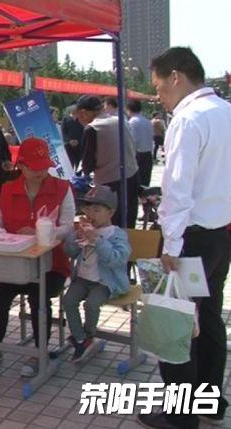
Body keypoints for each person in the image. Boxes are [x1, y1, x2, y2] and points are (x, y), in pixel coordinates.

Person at [138, 47, 231, 429]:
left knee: (173, 323)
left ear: (176, 77)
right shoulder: (226, 111)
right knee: (208, 318)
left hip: (189, 239)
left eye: (160, 87)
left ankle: (180, 416)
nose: (159, 96)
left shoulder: (188, 119)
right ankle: (211, 403)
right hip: (220, 236)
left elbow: (177, 191)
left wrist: (171, 247)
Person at [0, 137, 75, 377]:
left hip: (52, 264)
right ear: (20, 165)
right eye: (34, 167)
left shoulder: (62, 188)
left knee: (38, 297)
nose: (40, 172)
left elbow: (68, 226)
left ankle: (40, 352)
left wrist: (42, 233)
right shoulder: (8, 189)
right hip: (17, 263)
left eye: (44, 166)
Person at [62, 186, 130, 362]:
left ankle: (88, 336)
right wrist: (75, 237)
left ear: (110, 213)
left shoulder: (117, 234)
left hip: (105, 282)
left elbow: (117, 259)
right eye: (88, 209)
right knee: (68, 300)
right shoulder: (84, 229)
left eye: (97, 210)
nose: (91, 214)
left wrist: (97, 240)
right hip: (83, 278)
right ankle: (80, 339)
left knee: (91, 304)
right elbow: (69, 252)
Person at [76, 94, 140, 228]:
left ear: (83, 112)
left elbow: (87, 164)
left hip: (111, 182)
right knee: (129, 222)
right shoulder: (121, 121)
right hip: (133, 176)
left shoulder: (93, 128)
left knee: (111, 226)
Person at [126, 100, 154, 187]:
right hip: (148, 154)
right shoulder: (148, 121)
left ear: (128, 109)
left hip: (137, 155)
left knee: (136, 183)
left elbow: (133, 140)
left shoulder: (132, 122)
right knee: (145, 182)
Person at [61, 105, 85, 171]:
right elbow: (63, 131)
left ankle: (79, 173)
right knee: (71, 162)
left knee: (79, 161)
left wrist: (79, 141)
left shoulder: (80, 119)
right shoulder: (65, 119)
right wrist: (69, 140)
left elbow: (83, 131)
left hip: (79, 144)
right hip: (69, 145)